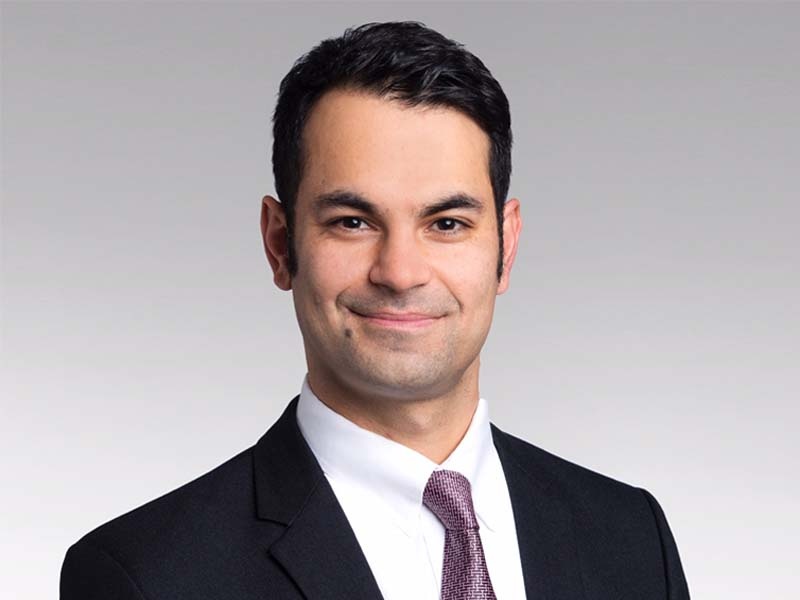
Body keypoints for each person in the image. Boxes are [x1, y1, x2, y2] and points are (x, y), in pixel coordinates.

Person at [60, 21, 690, 600]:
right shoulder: (146, 577)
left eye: (447, 223)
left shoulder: (632, 539)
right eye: (352, 222)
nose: (400, 272)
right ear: (280, 244)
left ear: (506, 245)